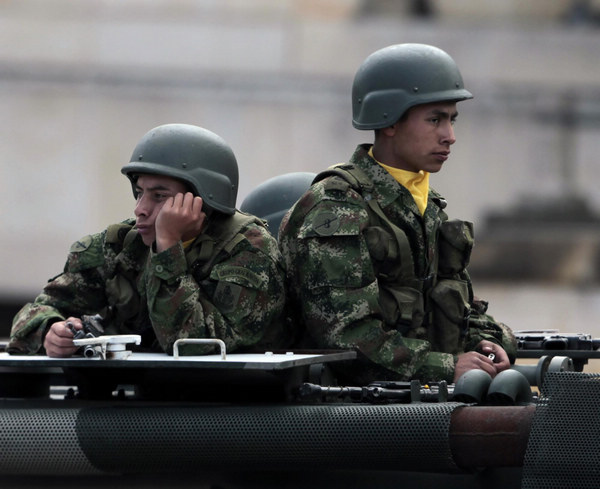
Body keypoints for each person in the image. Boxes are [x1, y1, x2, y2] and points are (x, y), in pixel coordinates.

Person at [279, 43, 517, 385]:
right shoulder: (337, 209)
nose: (450, 136)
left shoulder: (424, 204)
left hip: (414, 405)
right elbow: (347, 339)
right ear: (388, 120)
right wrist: (447, 368)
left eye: (451, 120)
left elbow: (457, 306)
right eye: (434, 120)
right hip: (344, 413)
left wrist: (491, 342)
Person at [9, 123, 289, 357]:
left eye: (159, 196)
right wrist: (50, 331)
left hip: (231, 409)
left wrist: (168, 244)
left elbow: (193, 344)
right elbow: (35, 310)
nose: (140, 208)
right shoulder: (118, 247)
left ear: (201, 200)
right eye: (140, 192)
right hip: (135, 404)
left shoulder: (249, 251)